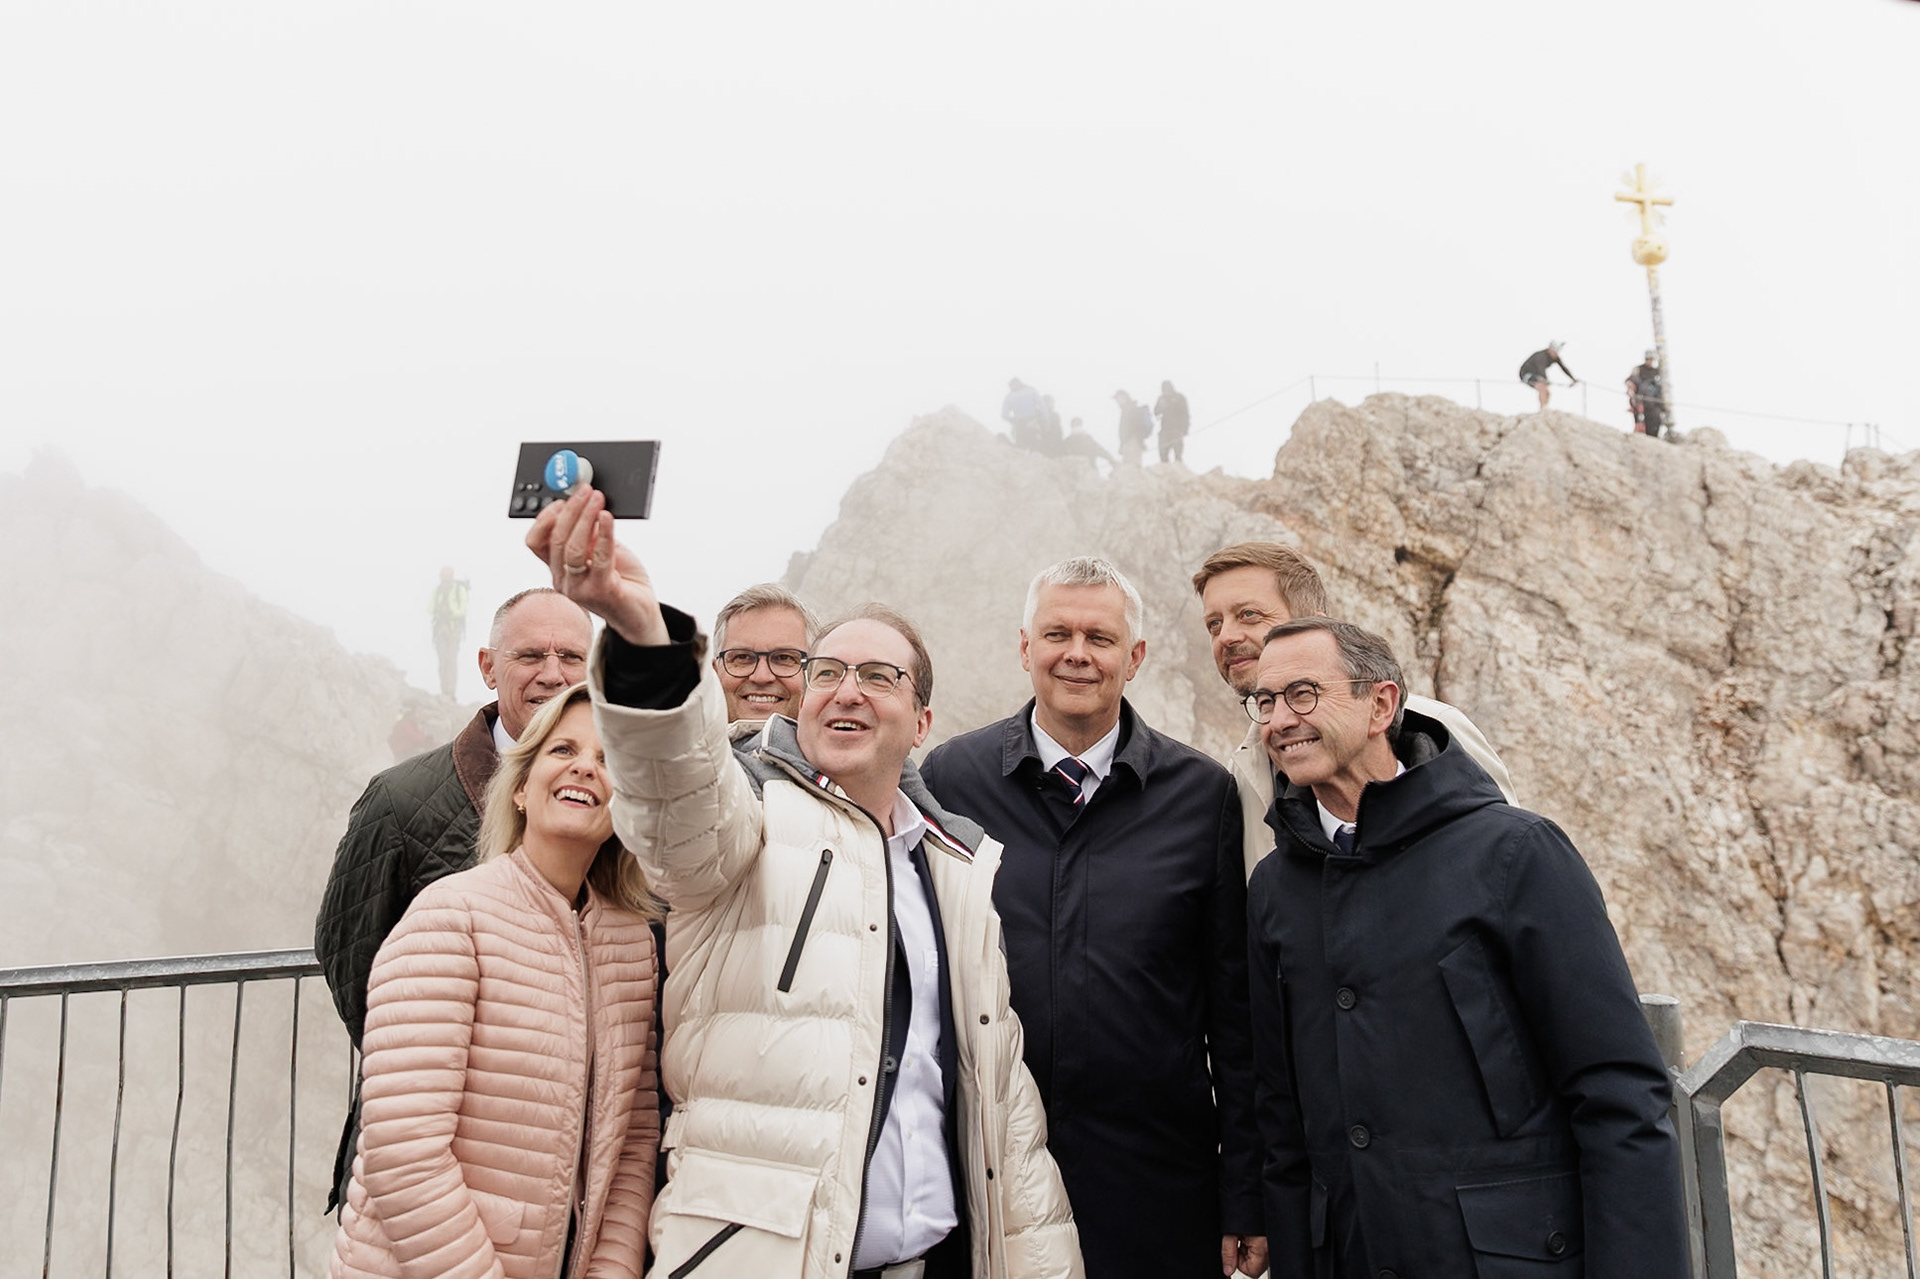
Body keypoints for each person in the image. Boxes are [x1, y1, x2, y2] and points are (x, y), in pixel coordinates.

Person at [525, 483, 1083, 1279]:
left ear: (921, 723)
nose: (847, 689)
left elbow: (1001, 1101)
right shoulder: (750, 813)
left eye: (878, 675)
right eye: (828, 671)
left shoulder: (957, 870)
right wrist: (636, 623)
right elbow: (678, 794)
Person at [1243, 618, 1686, 1278]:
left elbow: (1620, 1095)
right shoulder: (1276, 887)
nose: (1279, 719)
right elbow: (1281, 1123)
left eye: (1303, 693)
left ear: (1381, 704)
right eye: (1265, 700)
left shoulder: (1516, 853)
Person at [920, 557, 1265, 1279]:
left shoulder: (1202, 797)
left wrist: (1244, 1193)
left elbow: (1234, 1018)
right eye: (1057, 633)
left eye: (1100, 638)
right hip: (985, 1172)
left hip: (1154, 1185)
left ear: (1133, 657)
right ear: (1025, 648)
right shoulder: (951, 778)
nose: (1076, 653)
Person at [329, 683, 662, 1279]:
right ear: (519, 789)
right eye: (563, 750)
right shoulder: (450, 916)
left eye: (611, 759)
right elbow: (403, 1153)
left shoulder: (633, 944)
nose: (586, 765)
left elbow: (631, 1147)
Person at [315, 588, 594, 1210]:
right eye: (530, 655)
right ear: (488, 667)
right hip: (430, 1142)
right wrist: (430, 1066)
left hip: (564, 1163)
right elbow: (348, 953)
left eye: (571, 656)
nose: (553, 673)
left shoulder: (617, 794)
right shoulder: (399, 799)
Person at [1191, 542, 1516, 883]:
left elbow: (1511, 862)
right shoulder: (1241, 773)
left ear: (1314, 624)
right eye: (1214, 624)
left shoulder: (1433, 727)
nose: (1226, 636)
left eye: (1248, 615)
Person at [712, 583, 817, 723]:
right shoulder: (677, 744)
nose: (761, 677)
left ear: (815, 673)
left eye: (784, 658)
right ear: (715, 673)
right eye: (742, 657)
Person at [430, 566, 471, 699]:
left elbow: (462, 610)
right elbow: (430, 608)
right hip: (440, 629)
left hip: (453, 630)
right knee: (442, 660)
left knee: (450, 660)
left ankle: (450, 692)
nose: (444, 577)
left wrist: (449, 612)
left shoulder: (458, 590)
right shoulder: (438, 590)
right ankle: (444, 690)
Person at [1518, 340, 1577, 410]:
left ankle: (1545, 407)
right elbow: (1541, 368)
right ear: (1549, 349)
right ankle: (1542, 408)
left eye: (1556, 353)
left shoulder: (1555, 357)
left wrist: (1573, 379)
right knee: (1542, 387)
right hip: (1526, 373)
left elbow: (1564, 368)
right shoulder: (1541, 356)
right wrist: (1545, 379)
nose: (1555, 355)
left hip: (1537, 374)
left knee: (1547, 392)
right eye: (1553, 352)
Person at [1627, 349, 1666, 439]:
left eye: (1652, 359)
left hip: (1654, 402)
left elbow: (1659, 386)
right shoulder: (1639, 370)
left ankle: (1654, 437)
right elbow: (1631, 381)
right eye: (1649, 359)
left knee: (1656, 420)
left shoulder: (1656, 372)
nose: (1650, 361)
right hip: (1642, 401)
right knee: (1642, 421)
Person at [1154, 380, 1191, 464]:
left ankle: (1179, 469)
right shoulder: (1161, 398)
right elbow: (1156, 412)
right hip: (1165, 429)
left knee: (1178, 454)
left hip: (1176, 429)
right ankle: (1165, 470)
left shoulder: (1179, 397)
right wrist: (1161, 406)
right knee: (1163, 455)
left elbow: (1185, 414)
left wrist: (1185, 429)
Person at [1112, 391, 1151, 466]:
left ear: (1124, 398)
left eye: (1118, 398)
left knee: (1133, 465)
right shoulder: (1126, 410)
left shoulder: (1130, 409)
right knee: (1129, 465)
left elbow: (1131, 427)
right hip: (1128, 442)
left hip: (1132, 441)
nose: (1117, 401)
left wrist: (1137, 438)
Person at [1004, 378, 1045, 450]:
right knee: (1034, 445)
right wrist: (1043, 418)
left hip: (1020, 423)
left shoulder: (1010, 396)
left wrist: (1012, 421)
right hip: (1032, 421)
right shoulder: (1031, 390)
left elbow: (1004, 414)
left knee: (1021, 446)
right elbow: (1042, 406)